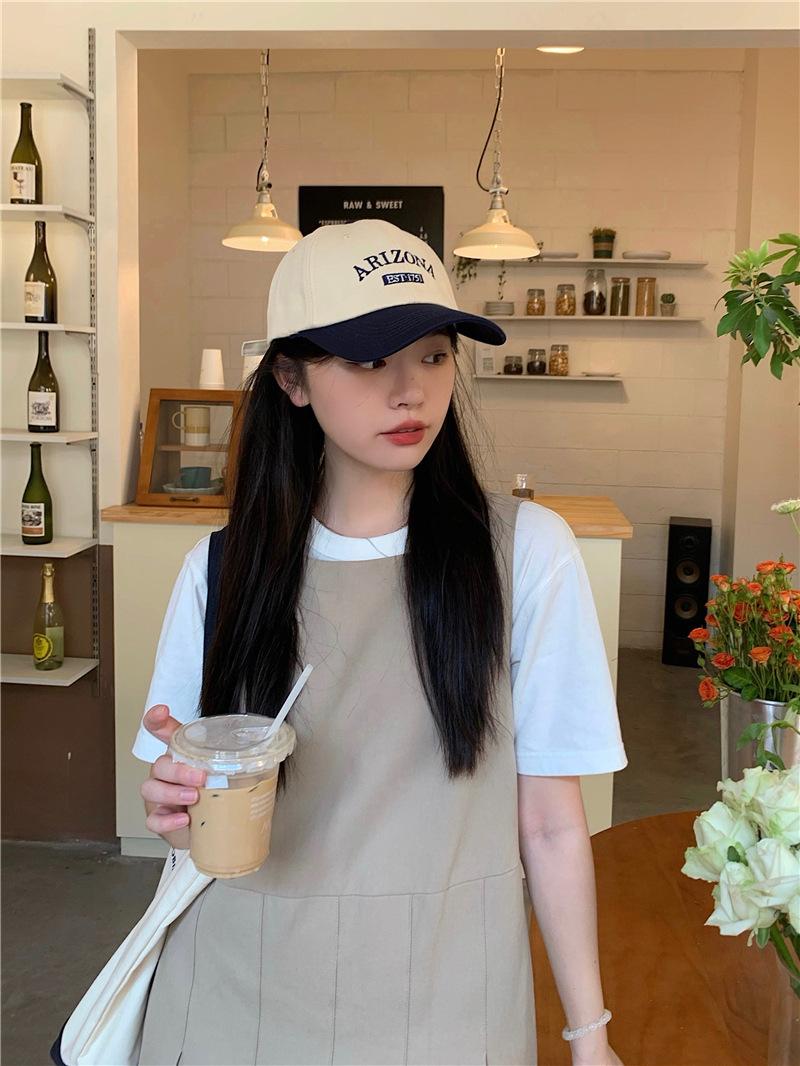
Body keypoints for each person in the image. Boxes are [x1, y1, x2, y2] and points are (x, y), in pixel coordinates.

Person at [132, 219, 626, 1065]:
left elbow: (549, 823)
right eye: (368, 361)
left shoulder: (526, 552)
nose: (411, 392)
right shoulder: (221, 569)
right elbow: (189, 820)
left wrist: (590, 1037)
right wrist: (176, 811)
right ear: (291, 378)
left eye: (433, 355)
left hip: (445, 1005)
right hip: (234, 993)